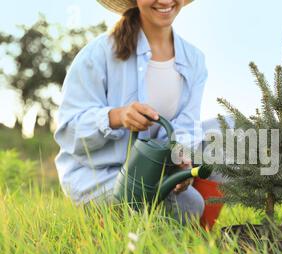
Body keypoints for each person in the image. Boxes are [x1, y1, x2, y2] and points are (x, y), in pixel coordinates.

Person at [54, 0, 207, 222]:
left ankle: (210, 235)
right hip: (98, 175)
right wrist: (116, 117)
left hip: (153, 169)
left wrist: (180, 155)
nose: (164, 1)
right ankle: (111, 220)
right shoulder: (98, 53)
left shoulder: (194, 60)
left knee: (227, 131)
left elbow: (187, 123)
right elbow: (69, 132)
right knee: (189, 205)